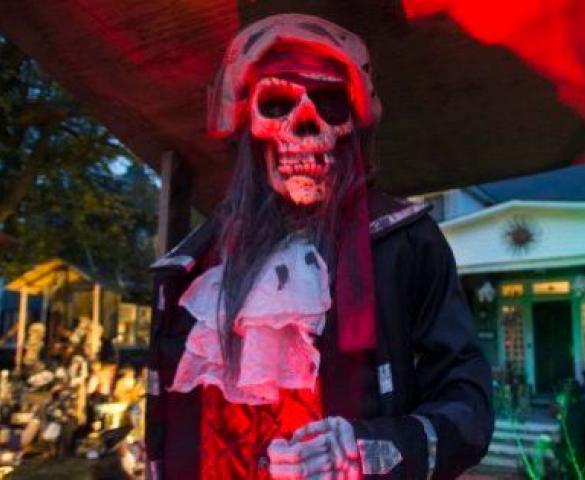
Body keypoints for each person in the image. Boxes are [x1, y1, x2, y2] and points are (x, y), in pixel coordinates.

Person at [145, 14, 493, 480]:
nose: (305, 127)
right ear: (246, 123)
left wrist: (374, 450)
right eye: (277, 104)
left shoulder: (406, 243)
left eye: (330, 105)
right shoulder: (193, 270)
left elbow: (468, 403)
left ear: (354, 125)